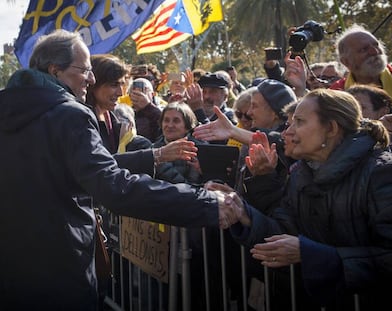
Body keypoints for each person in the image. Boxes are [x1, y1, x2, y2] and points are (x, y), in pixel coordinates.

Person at [0, 29, 239, 310]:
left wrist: (153, 155)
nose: (91, 78)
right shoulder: (70, 114)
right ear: (56, 70)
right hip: (59, 273)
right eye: (85, 70)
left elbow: (71, 168)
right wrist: (204, 203)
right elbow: (113, 186)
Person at [213, 88, 392, 310]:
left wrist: (315, 256)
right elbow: (286, 232)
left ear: (331, 128)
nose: (287, 133)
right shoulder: (302, 173)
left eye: (299, 122)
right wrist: (243, 214)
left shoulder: (385, 174)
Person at [330, 24, 392, 127]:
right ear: (346, 62)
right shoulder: (337, 94)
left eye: (376, 45)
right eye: (364, 50)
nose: (374, 52)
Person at [347, 84, 392, 161]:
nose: (351, 113)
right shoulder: (337, 139)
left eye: (361, 108)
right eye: (347, 108)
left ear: (383, 112)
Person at [152, 101, 204, 184]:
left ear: (187, 126)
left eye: (176, 121)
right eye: (166, 120)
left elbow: (192, 185)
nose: (170, 125)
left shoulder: (198, 150)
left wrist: (161, 165)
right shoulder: (153, 149)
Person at [128, 77, 162, 142]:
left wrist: (148, 106)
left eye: (144, 90)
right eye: (134, 91)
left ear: (152, 94)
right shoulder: (127, 113)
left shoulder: (158, 112)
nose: (139, 94)